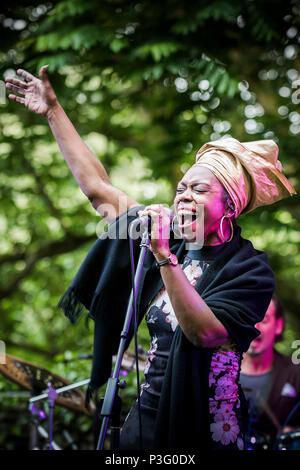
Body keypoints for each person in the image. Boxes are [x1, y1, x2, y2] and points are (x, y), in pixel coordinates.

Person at [5, 67, 296, 451]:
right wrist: (53, 110)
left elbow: (204, 333)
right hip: (147, 417)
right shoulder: (169, 237)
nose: (184, 195)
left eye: (199, 189)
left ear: (230, 205)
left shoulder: (248, 269)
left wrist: (163, 258)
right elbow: (99, 190)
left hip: (207, 427)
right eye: (181, 188)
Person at [240, 294, 300, 450]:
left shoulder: (296, 374)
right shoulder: (216, 370)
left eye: (263, 319)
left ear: (278, 326)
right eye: (249, 317)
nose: (255, 326)